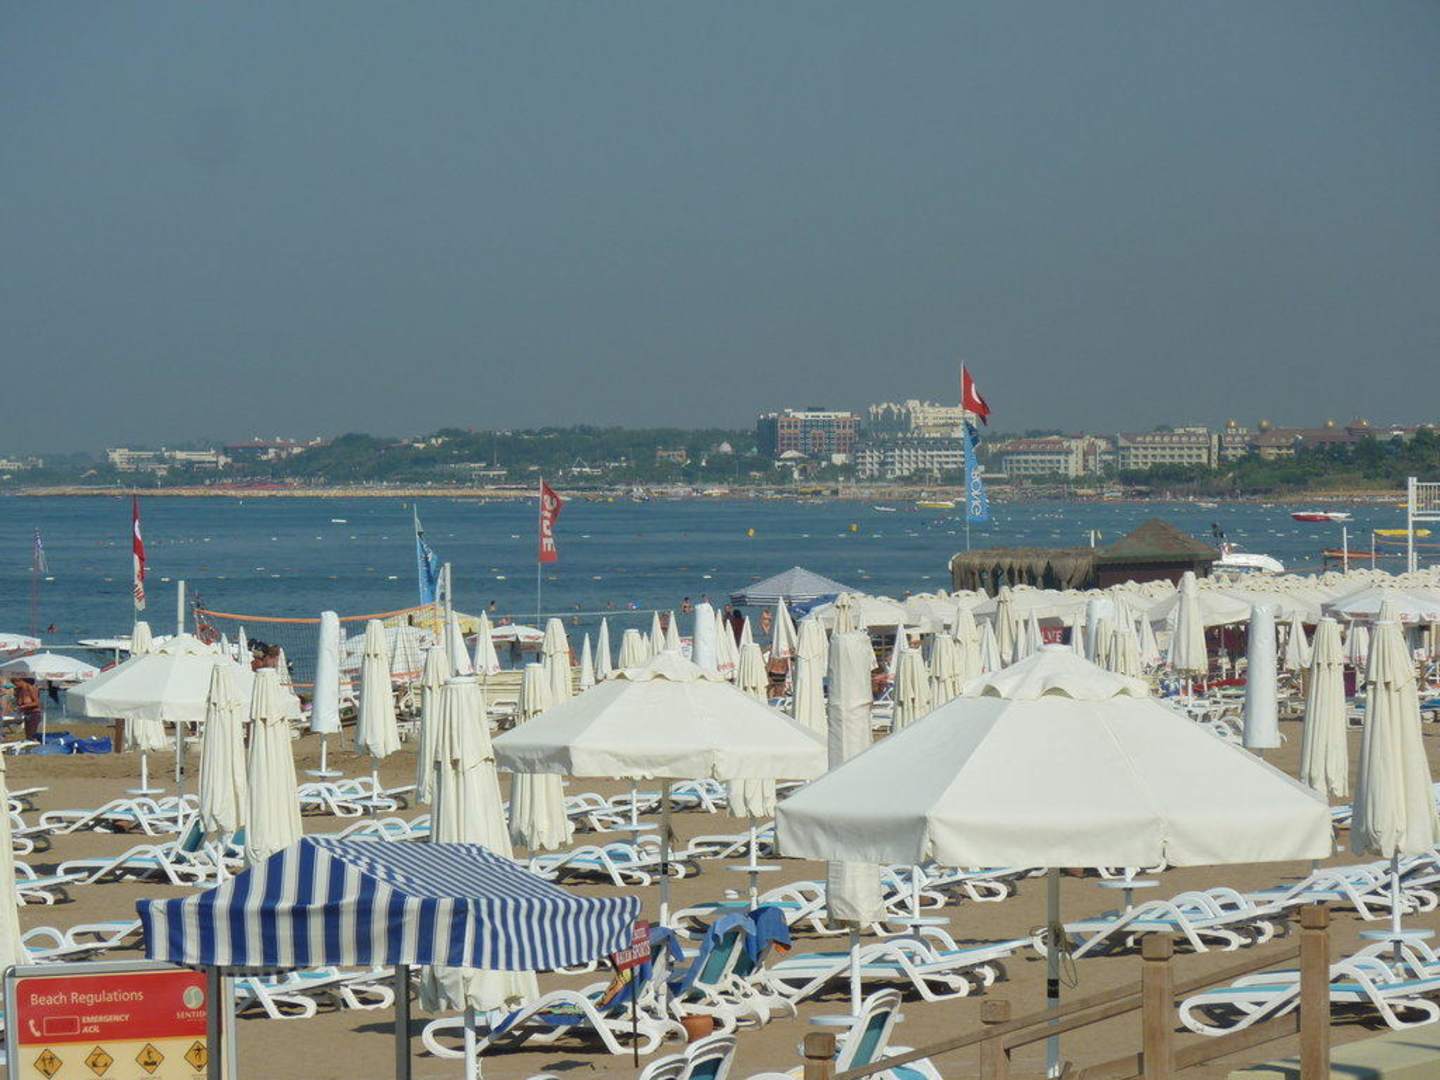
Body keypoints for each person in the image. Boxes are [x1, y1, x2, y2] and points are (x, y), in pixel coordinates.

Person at [15, 677, 43, 742]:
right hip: (26, 713)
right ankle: (31, 746)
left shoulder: (31, 688)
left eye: (15, 683)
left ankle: (36, 745)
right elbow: (19, 703)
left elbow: (37, 703)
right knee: (28, 735)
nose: (15, 685)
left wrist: (24, 706)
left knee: (32, 735)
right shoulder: (20, 690)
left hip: (34, 713)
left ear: (21, 681)